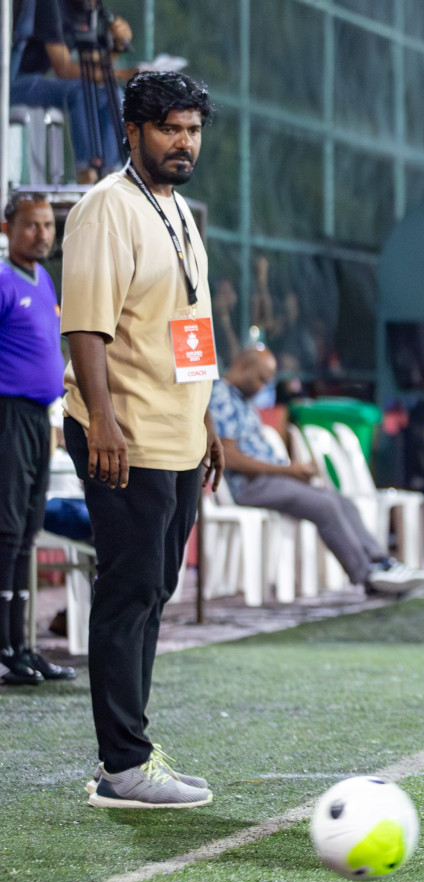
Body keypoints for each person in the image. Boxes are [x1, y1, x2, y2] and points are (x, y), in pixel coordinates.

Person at [62, 71, 221, 809]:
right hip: (122, 433)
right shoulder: (107, 209)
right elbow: (86, 327)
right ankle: (123, 764)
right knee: (129, 592)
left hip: (178, 435)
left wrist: (207, 419)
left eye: (191, 129)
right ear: (133, 133)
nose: (183, 142)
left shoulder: (180, 212)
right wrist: (103, 418)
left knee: (154, 590)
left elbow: (190, 326)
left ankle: (129, 748)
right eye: (169, 129)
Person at [209, 347, 424, 595]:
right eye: (261, 378)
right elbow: (229, 457)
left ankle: (381, 562)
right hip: (250, 486)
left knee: (340, 501)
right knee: (324, 506)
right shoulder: (221, 397)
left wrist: (291, 471)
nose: (263, 387)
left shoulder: (242, 400)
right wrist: (287, 471)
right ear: (242, 367)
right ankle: (366, 575)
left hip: (271, 479)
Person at [0, 193, 76, 684]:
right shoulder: (4, 280)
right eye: (31, 225)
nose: (43, 233)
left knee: (27, 531)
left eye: (49, 225)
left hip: (38, 419)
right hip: (7, 416)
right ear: (7, 228)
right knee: (6, 532)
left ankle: (23, 647)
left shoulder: (44, 279)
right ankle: (4, 648)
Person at [10, 0, 133, 182]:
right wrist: (123, 74)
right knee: (80, 91)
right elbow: (65, 69)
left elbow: (93, 64)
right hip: (12, 81)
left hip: (36, 79)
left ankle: (111, 172)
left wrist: (116, 46)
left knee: (112, 94)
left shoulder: (89, 9)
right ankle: (86, 171)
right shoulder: (50, 5)